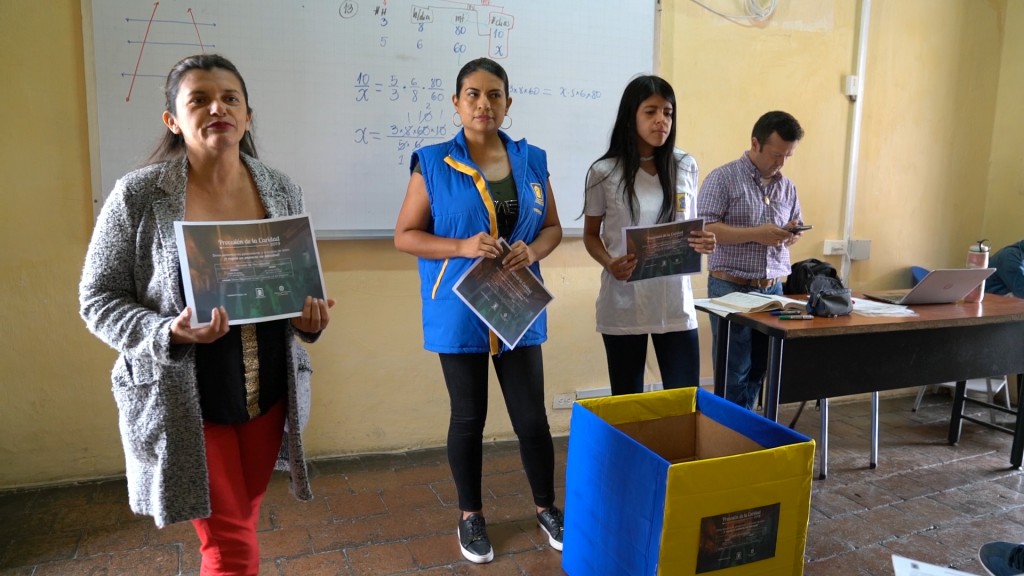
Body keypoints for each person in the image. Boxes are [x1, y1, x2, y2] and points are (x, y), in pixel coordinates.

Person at [78, 54, 335, 576]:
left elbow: (289, 290)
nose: (217, 107)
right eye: (199, 99)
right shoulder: (139, 195)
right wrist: (162, 331)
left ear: (247, 115)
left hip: (265, 395)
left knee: (241, 517)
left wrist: (307, 320)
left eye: (230, 98)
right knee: (231, 544)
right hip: (186, 401)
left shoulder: (280, 187)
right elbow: (97, 299)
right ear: (173, 120)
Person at [393, 57, 564, 564]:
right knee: (468, 417)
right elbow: (405, 236)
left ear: (508, 103)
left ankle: (547, 508)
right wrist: (462, 246)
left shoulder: (532, 160)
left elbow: (552, 227)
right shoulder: (432, 161)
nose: (483, 104)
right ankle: (471, 517)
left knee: (532, 417)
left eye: (494, 95)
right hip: (460, 307)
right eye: (472, 94)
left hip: (516, 303)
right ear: (456, 102)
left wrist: (533, 251)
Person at [582, 75, 716, 395]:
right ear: (632, 116)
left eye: (668, 113)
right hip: (625, 302)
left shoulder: (685, 164)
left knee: (684, 400)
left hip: (675, 305)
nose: (661, 121)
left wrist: (705, 240)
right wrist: (610, 262)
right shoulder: (604, 172)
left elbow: (689, 225)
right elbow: (590, 235)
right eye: (651, 112)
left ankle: (676, 449)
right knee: (628, 401)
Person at [696, 111, 808, 410]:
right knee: (734, 371)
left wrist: (792, 233)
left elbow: (795, 223)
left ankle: (749, 430)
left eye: (788, 155)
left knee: (761, 367)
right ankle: (729, 438)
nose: (781, 162)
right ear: (755, 144)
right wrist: (757, 234)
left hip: (772, 291)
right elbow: (706, 228)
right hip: (730, 287)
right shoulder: (723, 178)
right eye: (776, 154)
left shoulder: (787, 186)